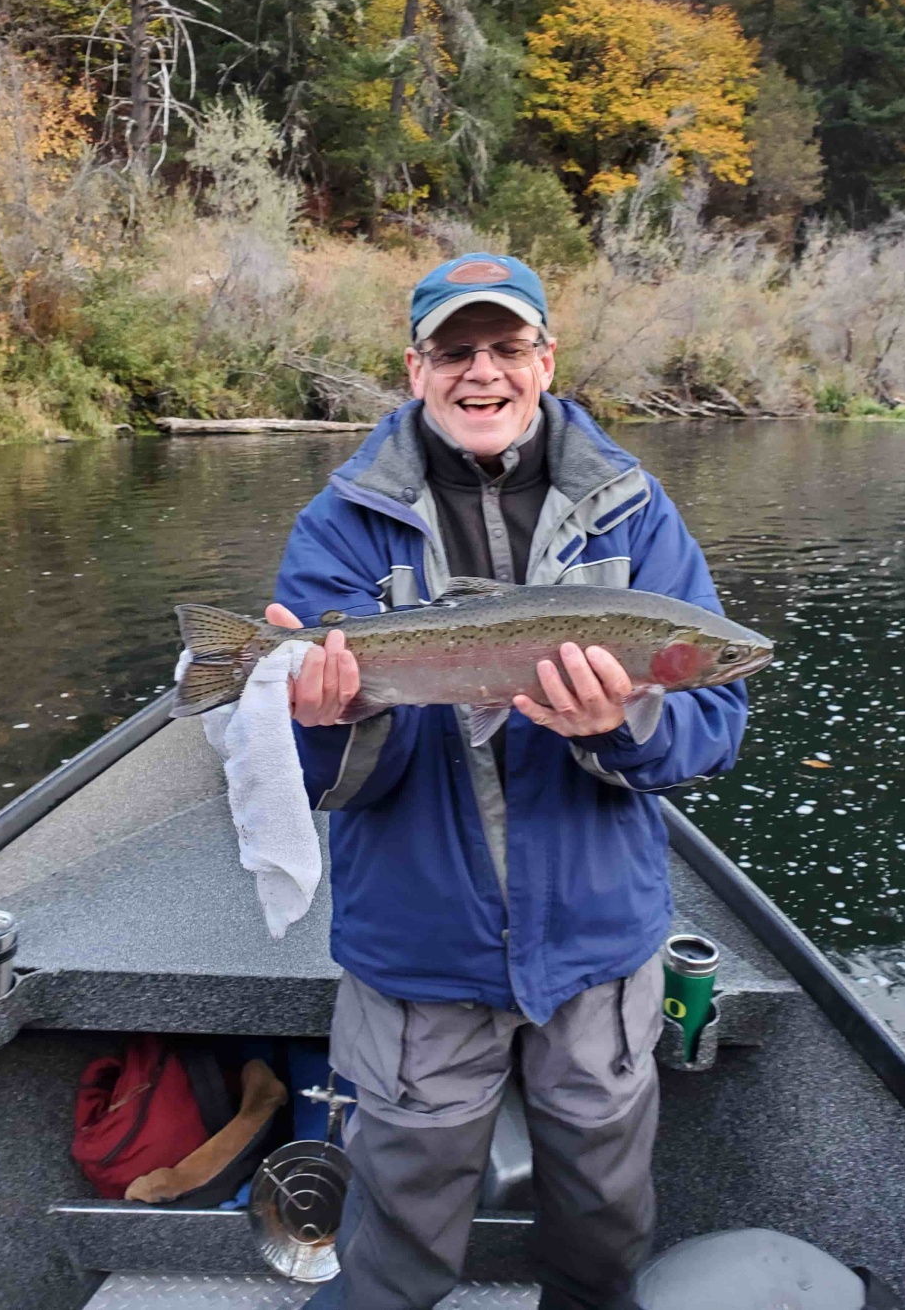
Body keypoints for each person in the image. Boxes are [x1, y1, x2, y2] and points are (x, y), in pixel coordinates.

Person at [265, 254, 748, 1310]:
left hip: (597, 948)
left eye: (505, 347)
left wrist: (626, 723)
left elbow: (713, 723)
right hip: (419, 953)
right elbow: (305, 777)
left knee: (604, 1233)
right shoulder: (339, 525)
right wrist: (330, 716)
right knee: (392, 1247)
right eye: (454, 350)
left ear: (545, 360)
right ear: (415, 367)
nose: (481, 372)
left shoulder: (634, 512)